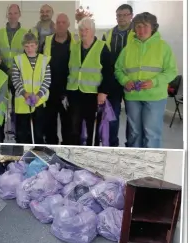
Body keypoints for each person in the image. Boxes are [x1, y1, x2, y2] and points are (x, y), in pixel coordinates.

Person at [115, 12, 177, 148]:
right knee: (134, 133)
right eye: (138, 26)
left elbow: (172, 71)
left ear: (153, 27)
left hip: (155, 97)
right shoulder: (128, 48)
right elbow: (118, 69)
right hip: (132, 98)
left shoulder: (163, 47)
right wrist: (125, 81)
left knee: (151, 134)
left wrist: (153, 82)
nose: (141, 30)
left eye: (145, 26)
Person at [66, 17, 114, 146]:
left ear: (93, 31)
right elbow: (69, 69)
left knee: (92, 126)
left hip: (93, 94)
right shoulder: (74, 48)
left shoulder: (102, 48)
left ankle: (91, 148)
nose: (83, 32)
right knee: (74, 126)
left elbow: (109, 73)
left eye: (86, 29)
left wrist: (104, 92)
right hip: (75, 92)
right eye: (81, 30)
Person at [0, 3, 28, 140]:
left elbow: (28, 54)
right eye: (10, 13)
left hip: (19, 76)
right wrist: (6, 69)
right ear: (7, 15)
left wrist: (16, 70)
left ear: (19, 14)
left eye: (15, 13)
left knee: (18, 107)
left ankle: (18, 136)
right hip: (2, 75)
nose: (12, 16)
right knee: (1, 105)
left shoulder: (26, 33)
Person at [40, 13, 76, 145]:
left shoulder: (75, 43)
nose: (60, 25)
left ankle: (66, 147)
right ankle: (51, 147)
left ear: (68, 25)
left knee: (68, 123)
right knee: (49, 123)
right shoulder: (47, 41)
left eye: (63, 22)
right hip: (49, 89)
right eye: (58, 22)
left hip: (68, 90)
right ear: (55, 25)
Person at [102, 4, 134, 147]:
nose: (121, 18)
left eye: (124, 15)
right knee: (112, 116)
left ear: (131, 16)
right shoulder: (108, 34)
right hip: (113, 81)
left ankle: (130, 146)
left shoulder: (137, 33)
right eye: (119, 15)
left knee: (132, 117)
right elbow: (103, 57)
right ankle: (112, 144)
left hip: (131, 82)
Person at [11, 33, 51, 144]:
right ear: (23, 46)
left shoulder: (44, 60)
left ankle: (37, 155)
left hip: (39, 101)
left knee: (38, 133)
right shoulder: (18, 60)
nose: (29, 49)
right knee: (22, 133)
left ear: (37, 45)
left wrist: (38, 95)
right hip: (22, 102)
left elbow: (47, 80)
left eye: (32, 46)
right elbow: (15, 79)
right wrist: (24, 93)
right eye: (27, 46)